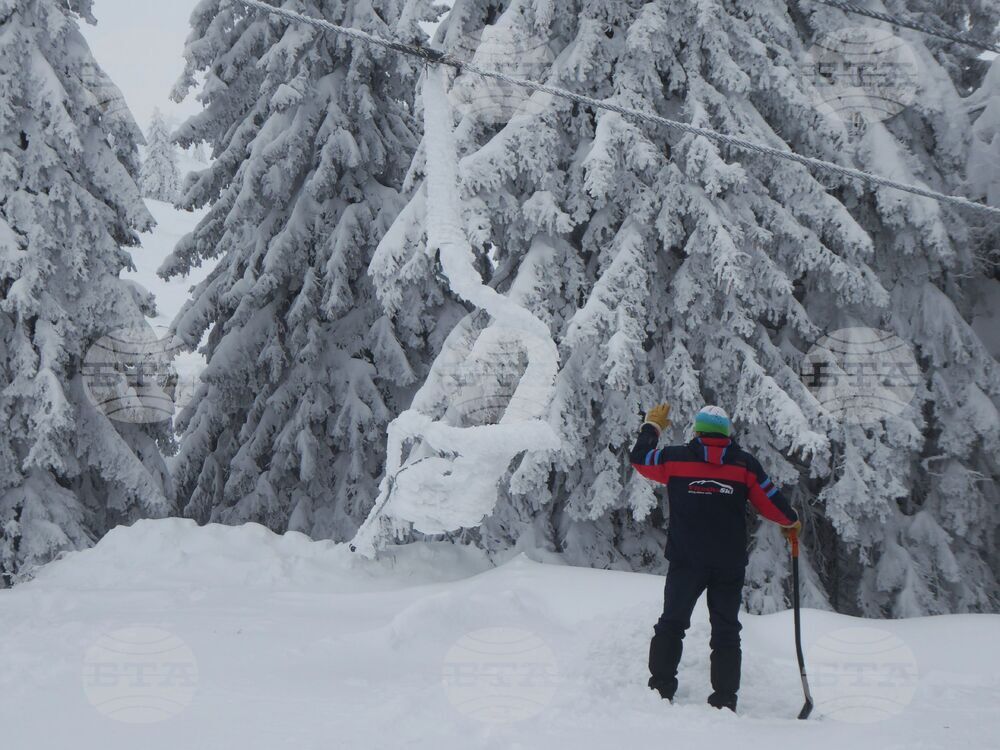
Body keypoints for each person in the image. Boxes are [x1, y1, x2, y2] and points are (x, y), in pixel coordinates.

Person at [629, 403, 801, 712]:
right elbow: (770, 501)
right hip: (728, 563)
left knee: (671, 624)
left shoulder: (675, 459)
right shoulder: (744, 465)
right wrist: (790, 521)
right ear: (726, 434)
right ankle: (724, 700)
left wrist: (652, 427)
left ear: (697, 431)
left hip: (686, 561)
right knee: (726, 631)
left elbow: (640, 459)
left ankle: (660, 690)